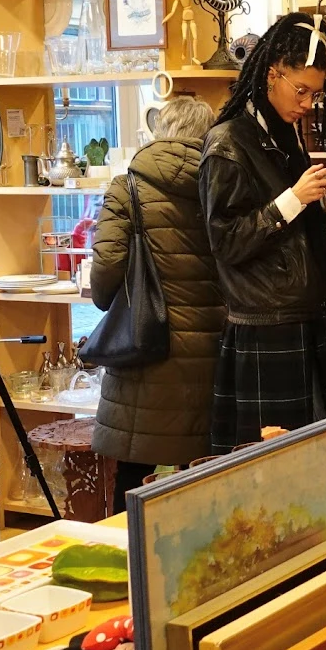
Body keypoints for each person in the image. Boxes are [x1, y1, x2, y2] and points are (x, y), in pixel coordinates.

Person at [199, 13, 326, 453]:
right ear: (272, 74)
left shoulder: (280, 134)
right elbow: (226, 242)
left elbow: (285, 234)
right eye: (302, 90)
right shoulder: (228, 143)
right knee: (270, 474)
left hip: (303, 318)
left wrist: (324, 203)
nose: (309, 103)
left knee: (320, 462)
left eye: (316, 92)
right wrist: (292, 199)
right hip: (263, 327)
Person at [90, 94, 224, 507]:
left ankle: (129, 556)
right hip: (211, 345)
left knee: (135, 466)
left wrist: (106, 297)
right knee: (205, 472)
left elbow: (107, 271)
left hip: (146, 343)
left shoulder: (127, 187)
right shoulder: (220, 183)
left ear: (161, 131)